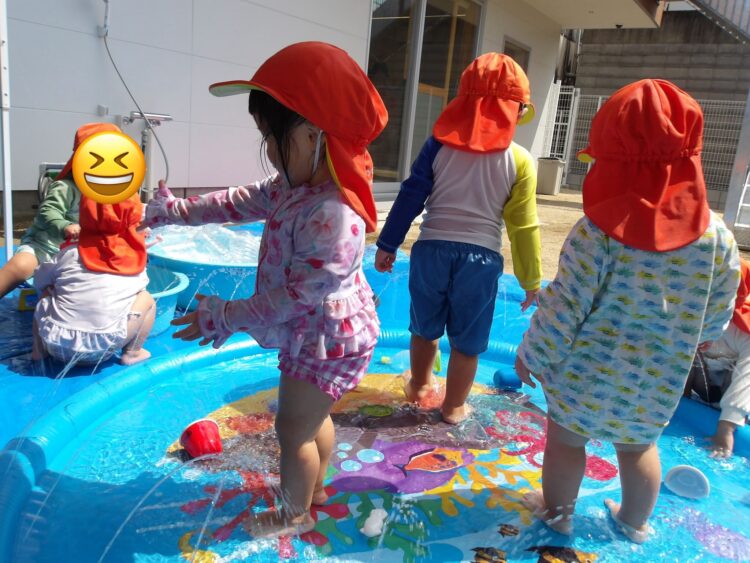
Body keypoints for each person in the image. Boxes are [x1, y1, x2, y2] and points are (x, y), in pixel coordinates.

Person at [142, 42, 387, 537]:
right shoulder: (293, 186)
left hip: (326, 336)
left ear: (315, 135)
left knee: (291, 429)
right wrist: (176, 211)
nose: (270, 152)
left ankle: (294, 514)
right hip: (320, 332)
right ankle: (315, 488)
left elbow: (297, 296)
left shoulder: (334, 212)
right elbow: (236, 202)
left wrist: (227, 316)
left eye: (273, 139)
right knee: (312, 415)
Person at [514, 79, 740, 544]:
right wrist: (695, 337)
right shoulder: (717, 237)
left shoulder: (596, 232)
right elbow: (721, 308)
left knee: (566, 441)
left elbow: (564, 304)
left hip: (584, 374)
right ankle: (634, 523)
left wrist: (532, 354)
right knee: (639, 447)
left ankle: (558, 514)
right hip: (658, 377)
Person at [374, 53, 542, 424]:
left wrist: (388, 244)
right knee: (468, 342)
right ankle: (453, 407)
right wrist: (531, 280)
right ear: (517, 112)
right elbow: (523, 226)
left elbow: (411, 195)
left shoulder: (437, 145)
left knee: (424, 328)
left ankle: (420, 386)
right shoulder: (521, 160)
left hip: (431, 251)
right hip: (481, 259)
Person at [31, 193, 155, 366]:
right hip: (106, 346)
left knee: (47, 291)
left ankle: (38, 351)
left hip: (55, 344)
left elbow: (39, 280)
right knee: (146, 298)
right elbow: (140, 287)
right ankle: (132, 352)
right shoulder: (134, 260)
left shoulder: (70, 253)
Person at [0, 122, 121, 299]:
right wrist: (65, 225)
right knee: (21, 266)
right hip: (45, 248)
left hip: (81, 253)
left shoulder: (113, 194)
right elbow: (47, 211)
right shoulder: (66, 187)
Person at [684, 258, 750, 458]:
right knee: (685, 353)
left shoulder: (743, 331)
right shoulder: (689, 318)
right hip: (704, 389)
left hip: (738, 397)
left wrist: (726, 428)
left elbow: (746, 380)